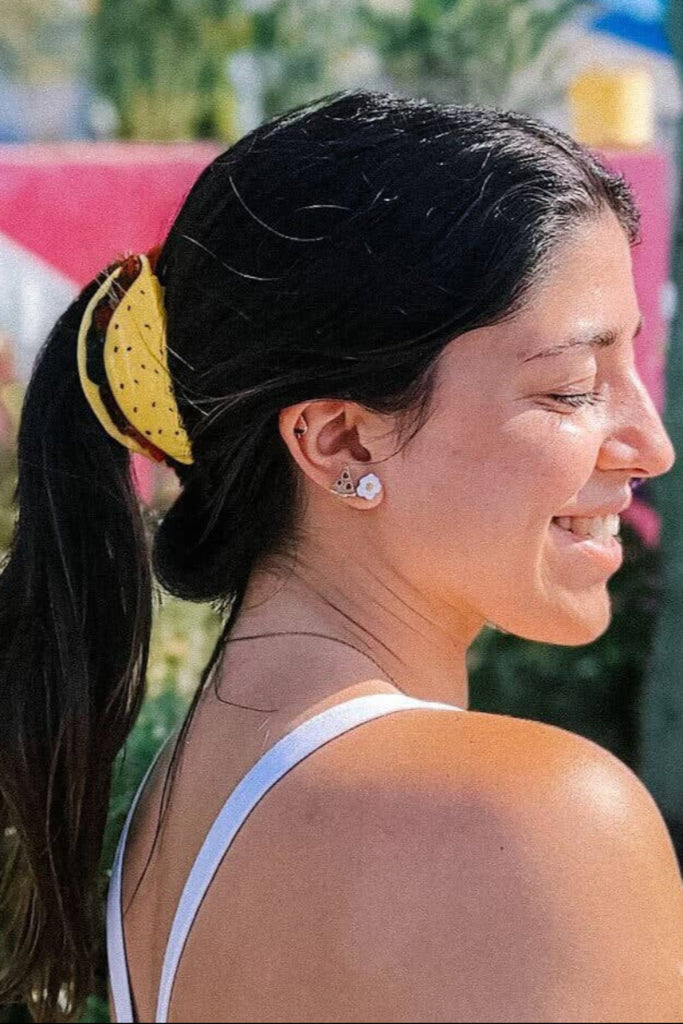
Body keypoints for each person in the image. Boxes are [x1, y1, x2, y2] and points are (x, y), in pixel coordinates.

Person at [0, 89, 681, 1024]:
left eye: (630, 369)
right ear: (339, 443)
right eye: (570, 388)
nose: (649, 446)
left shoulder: (174, 817)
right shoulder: (541, 826)